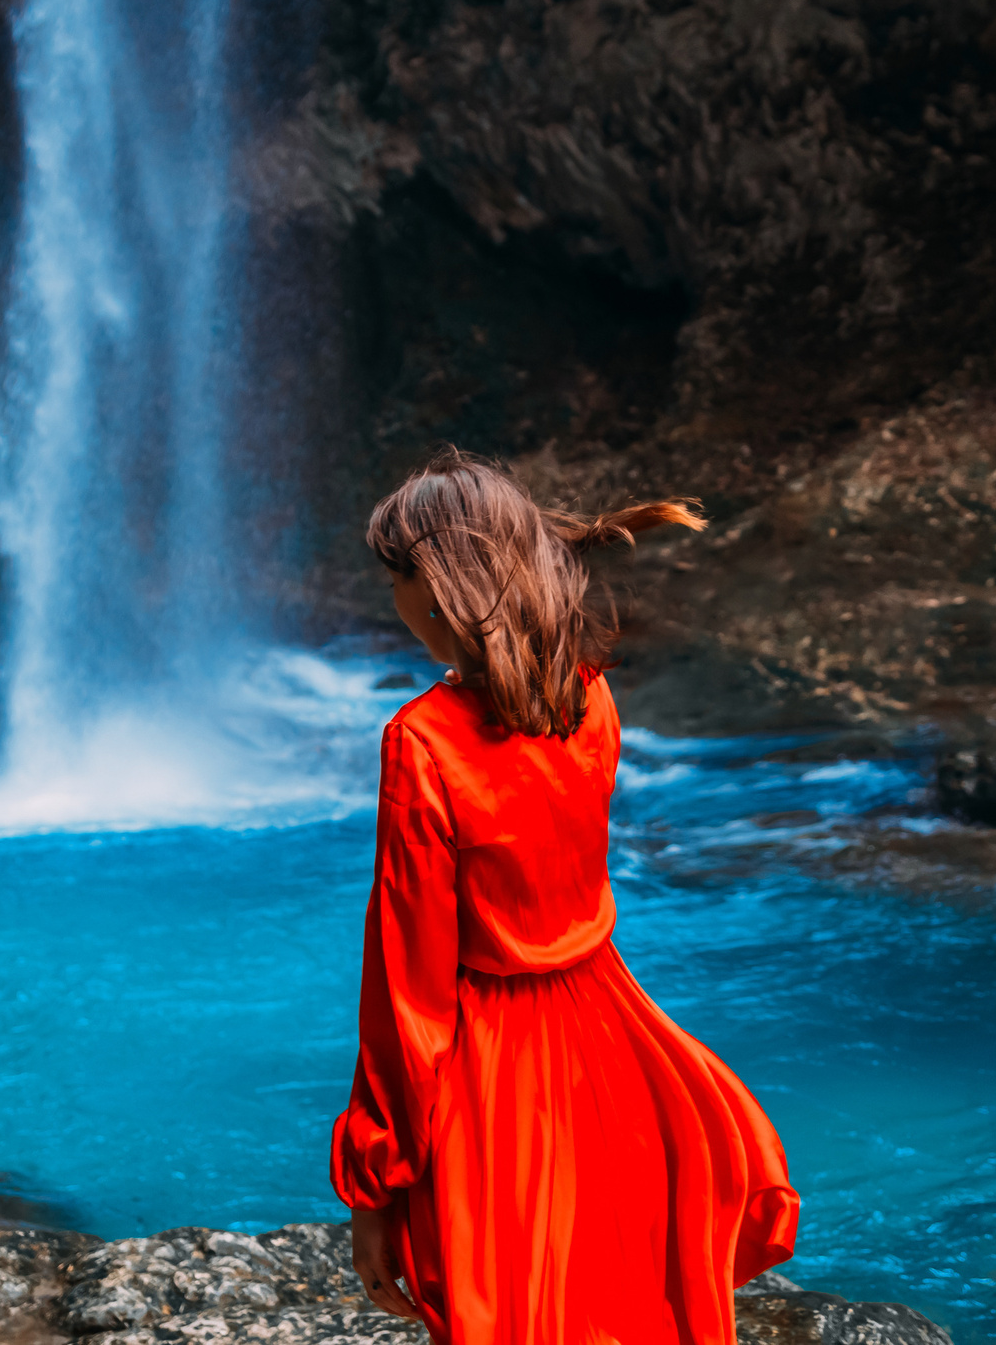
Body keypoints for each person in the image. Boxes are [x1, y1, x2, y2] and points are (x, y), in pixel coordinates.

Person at [331, 449, 800, 1345]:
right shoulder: (592, 698)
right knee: (613, 1295)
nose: (395, 604)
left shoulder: (422, 742)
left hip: (493, 1068)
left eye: (397, 579)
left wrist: (375, 1183)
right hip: (608, 1035)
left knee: (511, 1309)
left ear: (439, 589)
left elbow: (408, 989)